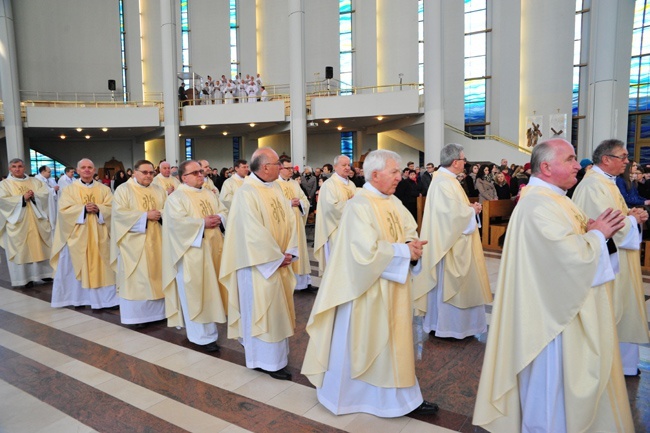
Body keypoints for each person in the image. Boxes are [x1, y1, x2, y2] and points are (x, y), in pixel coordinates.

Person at [473, 138, 633, 432]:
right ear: (546, 167)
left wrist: (596, 233)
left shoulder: (557, 198)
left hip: (561, 309)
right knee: (550, 391)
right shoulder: (536, 204)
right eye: (570, 159)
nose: (577, 165)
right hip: (549, 321)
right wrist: (597, 236)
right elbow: (565, 259)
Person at [302, 150, 437, 417]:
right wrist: (404, 252)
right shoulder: (359, 205)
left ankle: (402, 399)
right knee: (370, 343)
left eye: (399, 171)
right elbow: (363, 253)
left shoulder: (393, 202)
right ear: (375, 175)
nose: (401, 176)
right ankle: (359, 399)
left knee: (395, 344)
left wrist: (414, 249)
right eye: (395, 171)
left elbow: (409, 233)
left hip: (393, 288)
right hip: (366, 292)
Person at [572, 139, 650, 376]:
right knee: (614, 309)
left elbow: (616, 214)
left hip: (620, 259)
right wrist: (632, 221)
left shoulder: (607, 182)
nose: (627, 162)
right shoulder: (593, 186)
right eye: (623, 157)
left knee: (623, 308)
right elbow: (603, 225)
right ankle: (612, 365)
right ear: (606, 159)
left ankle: (623, 365)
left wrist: (630, 213)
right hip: (609, 263)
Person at [220, 148, 298, 380]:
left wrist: (290, 251)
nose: (282, 169)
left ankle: (277, 359)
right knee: (263, 312)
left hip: (278, 261)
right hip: (258, 266)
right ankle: (265, 361)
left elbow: (291, 220)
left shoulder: (275, 188)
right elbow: (251, 233)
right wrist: (276, 257)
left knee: (278, 312)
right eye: (278, 165)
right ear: (265, 167)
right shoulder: (247, 193)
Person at [415, 143, 492, 340]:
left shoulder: (448, 180)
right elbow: (449, 216)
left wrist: (468, 207)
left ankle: (457, 326)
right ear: (456, 162)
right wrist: (470, 211)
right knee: (450, 287)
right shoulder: (442, 182)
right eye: (464, 159)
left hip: (453, 241)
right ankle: (450, 327)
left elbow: (453, 209)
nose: (465, 163)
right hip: (448, 246)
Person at [161, 160, 228, 352]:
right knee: (196, 293)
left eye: (201, 172)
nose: (201, 175)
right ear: (184, 177)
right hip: (192, 255)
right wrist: (201, 223)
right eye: (196, 173)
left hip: (214, 250)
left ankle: (211, 332)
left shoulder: (208, 193)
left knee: (212, 292)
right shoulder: (176, 198)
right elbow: (176, 225)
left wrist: (220, 218)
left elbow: (223, 211)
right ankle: (200, 337)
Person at [51, 158, 117, 309]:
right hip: (77, 235)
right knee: (76, 265)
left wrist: (99, 208)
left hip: (100, 234)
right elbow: (63, 211)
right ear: (78, 170)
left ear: (94, 171)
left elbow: (113, 208)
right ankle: (78, 299)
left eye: (90, 168)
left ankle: (107, 300)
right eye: (83, 168)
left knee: (104, 265)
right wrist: (83, 210)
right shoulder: (69, 189)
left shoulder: (104, 189)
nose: (87, 170)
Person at [110, 160, 167, 327]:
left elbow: (168, 210)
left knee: (158, 274)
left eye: (151, 173)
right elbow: (119, 215)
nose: (148, 175)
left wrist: (159, 214)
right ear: (134, 173)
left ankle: (159, 313)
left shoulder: (159, 190)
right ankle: (137, 317)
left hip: (158, 240)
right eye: (144, 172)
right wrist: (144, 216)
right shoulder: (124, 190)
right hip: (134, 244)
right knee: (138, 279)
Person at [0, 158, 52, 288]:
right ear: (9, 169)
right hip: (18, 223)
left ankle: (44, 274)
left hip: (37, 220)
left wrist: (34, 196)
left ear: (24, 168)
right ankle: (24, 278)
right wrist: (22, 198)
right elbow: (3, 201)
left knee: (41, 246)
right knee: (22, 249)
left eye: (19, 166)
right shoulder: (4, 184)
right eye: (14, 167)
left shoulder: (35, 181)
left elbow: (45, 194)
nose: (17, 169)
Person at [276, 156, 316, 293]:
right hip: (285, 226)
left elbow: (304, 198)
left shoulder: (294, 183)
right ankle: (289, 283)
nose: (291, 171)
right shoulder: (274, 184)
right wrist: (289, 203)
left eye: (291, 168)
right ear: (280, 168)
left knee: (300, 251)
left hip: (297, 223)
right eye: (288, 168)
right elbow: (273, 206)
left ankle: (303, 283)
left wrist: (300, 203)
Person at [313, 155, 357, 275]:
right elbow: (331, 209)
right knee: (337, 268)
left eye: (349, 165)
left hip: (351, 232)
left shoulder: (351, 185)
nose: (347, 168)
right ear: (336, 167)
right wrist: (350, 202)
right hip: (334, 230)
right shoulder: (329, 185)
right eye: (344, 165)